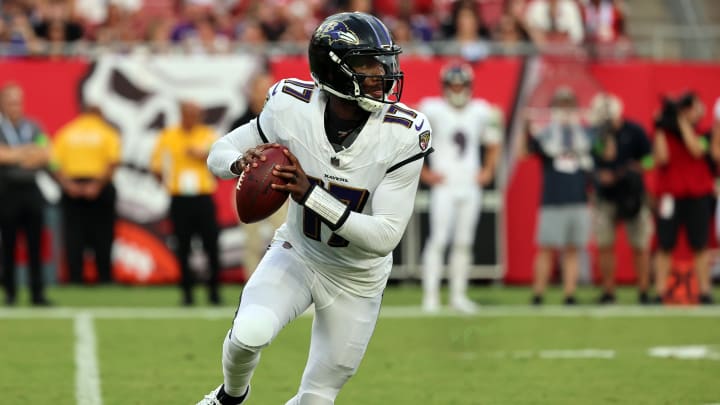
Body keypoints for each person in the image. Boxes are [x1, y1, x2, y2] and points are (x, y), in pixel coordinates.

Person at [199, 12, 432, 405]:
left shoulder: (404, 133)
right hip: (300, 252)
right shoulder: (292, 106)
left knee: (318, 398)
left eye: (383, 62)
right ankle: (228, 398)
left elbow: (385, 237)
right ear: (335, 69)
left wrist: (311, 195)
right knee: (248, 334)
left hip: (358, 279)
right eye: (367, 64)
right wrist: (241, 163)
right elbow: (219, 151)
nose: (383, 73)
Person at [418, 62, 501, 314]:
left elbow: (494, 142)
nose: (457, 89)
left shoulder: (480, 111)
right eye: (453, 84)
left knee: (464, 242)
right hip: (444, 185)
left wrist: (488, 170)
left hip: (469, 185)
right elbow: (410, 140)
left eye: (460, 84)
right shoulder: (432, 108)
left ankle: (458, 295)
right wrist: (425, 173)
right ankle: (430, 296)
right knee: (439, 240)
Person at [519, 87, 593, 305]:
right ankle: (538, 293)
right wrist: (526, 128)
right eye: (561, 105)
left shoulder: (584, 135)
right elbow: (524, 152)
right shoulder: (546, 134)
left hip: (578, 198)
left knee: (573, 249)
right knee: (546, 249)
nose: (565, 109)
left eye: (569, 104)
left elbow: (603, 153)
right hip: (553, 199)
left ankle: (569, 293)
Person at [151, 100, 222, 306]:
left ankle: (214, 291)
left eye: (196, 114)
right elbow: (156, 164)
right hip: (179, 198)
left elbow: (218, 160)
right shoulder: (168, 136)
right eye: (189, 113)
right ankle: (187, 293)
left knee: (211, 245)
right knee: (182, 247)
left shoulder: (208, 135)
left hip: (202, 197)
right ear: (181, 114)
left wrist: (203, 156)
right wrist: (164, 182)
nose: (193, 118)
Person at [588, 92, 653, 304]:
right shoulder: (597, 136)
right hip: (607, 197)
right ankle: (609, 291)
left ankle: (643, 290)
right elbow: (599, 160)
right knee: (605, 244)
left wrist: (635, 168)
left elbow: (651, 160)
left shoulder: (634, 131)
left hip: (633, 196)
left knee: (640, 245)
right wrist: (601, 175)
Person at [653, 92, 716, 304]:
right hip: (671, 195)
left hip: (697, 195)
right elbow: (661, 158)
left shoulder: (705, 134)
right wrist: (661, 127)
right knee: (665, 245)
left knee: (699, 245)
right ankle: (660, 291)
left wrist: (681, 122)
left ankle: (705, 291)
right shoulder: (667, 134)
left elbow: (696, 150)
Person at [229, 71, 289, 278]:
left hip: (279, 188)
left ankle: (285, 284)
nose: (265, 93)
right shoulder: (240, 121)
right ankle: (251, 287)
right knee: (251, 242)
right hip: (246, 187)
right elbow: (229, 156)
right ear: (252, 92)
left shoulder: (282, 120)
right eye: (261, 88)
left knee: (286, 239)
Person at [52, 105, 121, 285]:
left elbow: (53, 163)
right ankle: (105, 277)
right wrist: (96, 186)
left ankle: (75, 277)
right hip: (100, 187)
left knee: (74, 235)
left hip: (72, 186)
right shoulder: (107, 132)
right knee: (103, 235)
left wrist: (69, 186)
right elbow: (113, 163)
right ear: (100, 114)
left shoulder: (67, 132)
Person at [0, 83, 52, 306]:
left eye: (18, 102)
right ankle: (10, 293)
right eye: (10, 102)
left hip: (31, 191)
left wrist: (16, 154)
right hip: (6, 191)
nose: (15, 106)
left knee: (35, 245)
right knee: (8, 245)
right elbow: (2, 157)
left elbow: (45, 154)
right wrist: (26, 152)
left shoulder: (33, 126)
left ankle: (37, 294)